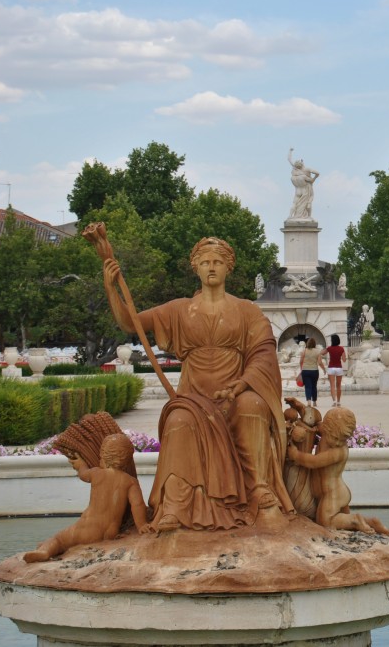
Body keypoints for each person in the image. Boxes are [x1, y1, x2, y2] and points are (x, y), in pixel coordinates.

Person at [103, 236, 294, 532]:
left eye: (217, 262)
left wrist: (243, 383)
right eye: (205, 263)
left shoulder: (247, 310)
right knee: (178, 421)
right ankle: (175, 506)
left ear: (228, 267)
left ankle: (257, 488)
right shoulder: (179, 309)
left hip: (234, 394)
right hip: (193, 399)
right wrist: (111, 288)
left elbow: (264, 352)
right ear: (196, 268)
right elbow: (131, 323)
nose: (211, 267)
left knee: (253, 405)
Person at [23, 433, 150, 562]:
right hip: (110, 533)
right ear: (127, 460)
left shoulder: (96, 473)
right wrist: (142, 525)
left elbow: (83, 474)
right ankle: (49, 547)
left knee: (59, 539)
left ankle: (45, 551)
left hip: (88, 528)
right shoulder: (130, 481)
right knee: (61, 542)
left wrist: (80, 464)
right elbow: (137, 505)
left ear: (103, 455)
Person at [286, 407, 389, 534]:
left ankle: (355, 520)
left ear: (332, 431)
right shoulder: (328, 438)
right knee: (342, 522)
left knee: (325, 522)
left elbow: (314, 462)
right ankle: (371, 522)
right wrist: (300, 409)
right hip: (332, 492)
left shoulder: (337, 452)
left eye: (326, 425)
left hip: (332, 494)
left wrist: (295, 455)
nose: (322, 427)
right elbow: (318, 425)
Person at [287, 147, 320, 220]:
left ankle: (290, 216)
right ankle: (309, 216)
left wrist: (290, 151)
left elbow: (289, 159)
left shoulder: (295, 171)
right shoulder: (305, 173)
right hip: (305, 190)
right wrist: (314, 178)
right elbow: (317, 174)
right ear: (301, 165)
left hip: (298, 191)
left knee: (294, 204)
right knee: (308, 203)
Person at [299, 337, 326, 408]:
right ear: (314, 344)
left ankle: (308, 401)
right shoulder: (317, 351)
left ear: (307, 343)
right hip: (314, 371)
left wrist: (301, 369)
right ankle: (314, 401)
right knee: (314, 386)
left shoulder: (304, 351)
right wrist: (324, 369)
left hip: (305, 370)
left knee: (307, 386)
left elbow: (301, 361)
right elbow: (320, 362)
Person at [322, 333, 346, 406]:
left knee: (332, 385)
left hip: (331, 368)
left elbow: (322, 353)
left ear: (332, 341)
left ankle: (334, 401)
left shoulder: (329, 348)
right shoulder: (341, 349)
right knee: (338, 386)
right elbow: (344, 360)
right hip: (339, 368)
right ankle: (338, 402)